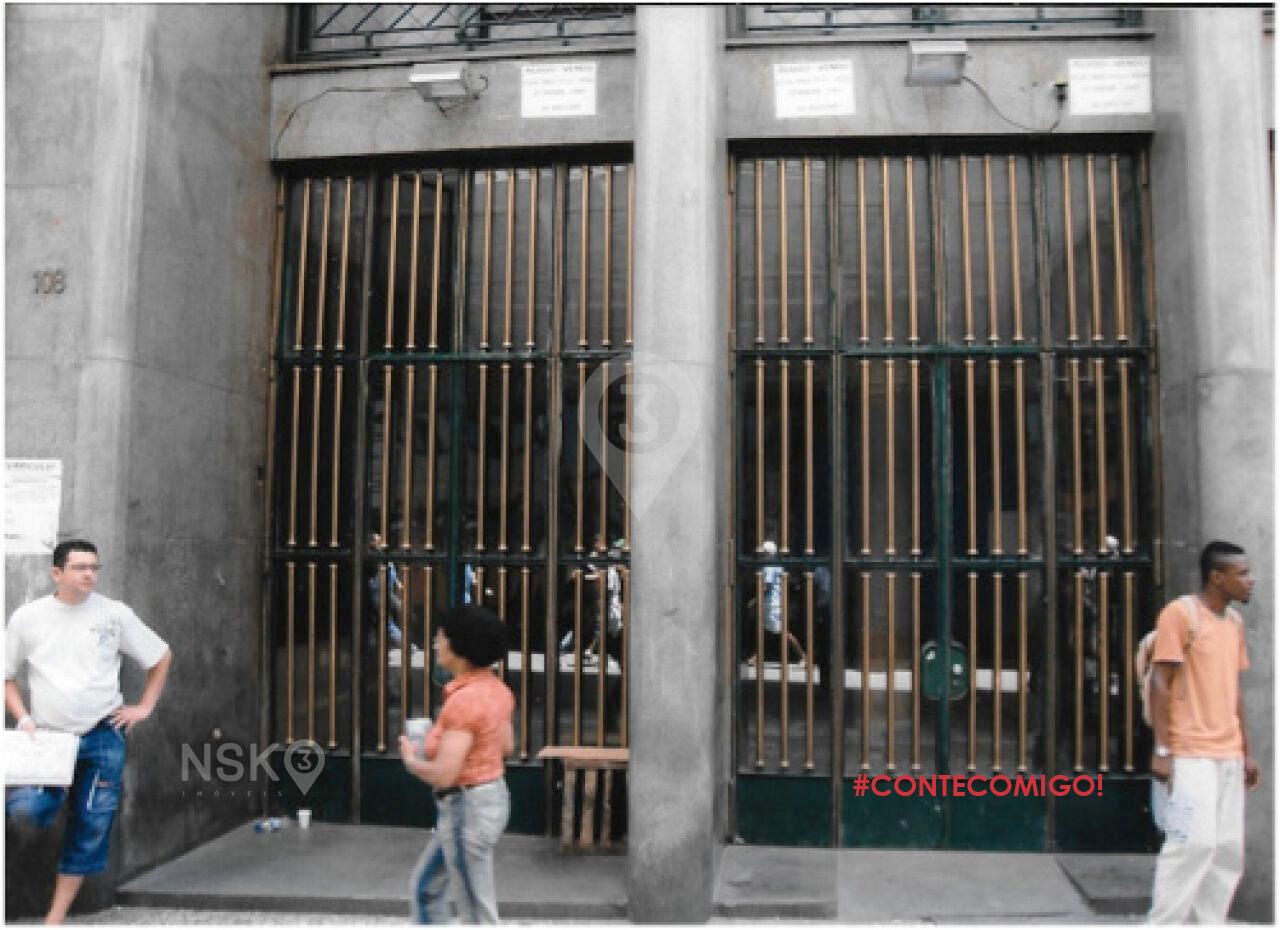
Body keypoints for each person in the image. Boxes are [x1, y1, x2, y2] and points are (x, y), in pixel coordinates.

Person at [5, 539, 173, 924]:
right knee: (28, 810)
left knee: (92, 824)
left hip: (102, 734)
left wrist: (144, 707)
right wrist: (24, 718)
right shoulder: (29, 618)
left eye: (94, 568)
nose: (89, 575)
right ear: (57, 573)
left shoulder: (114, 614)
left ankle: (54, 919)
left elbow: (161, 655)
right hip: (47, 739)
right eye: (80, 568)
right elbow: (5, 675)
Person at [1147, 540, 1261, 924]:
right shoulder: (1180, 614)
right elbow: (1160, 682)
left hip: (1227, 754)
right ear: (1217, 578)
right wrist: (1163, 751)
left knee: (1227, 850)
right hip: (1188, 755)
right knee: (1189, 844)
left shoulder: (1234, 623)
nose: (1251, 580)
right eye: (1242, 573)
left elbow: (1233, 689)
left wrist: (1246, 752)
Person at [400, 605, 514, 924]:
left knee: (476, 914)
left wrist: (412, 760)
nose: (436, 644)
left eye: (440, 638)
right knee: (426, 889)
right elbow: (506, 746)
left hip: (466, 809)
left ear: (457, 647)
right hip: (487, 800)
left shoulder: (465, 701)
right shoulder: (498, 691)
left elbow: (445, 775)